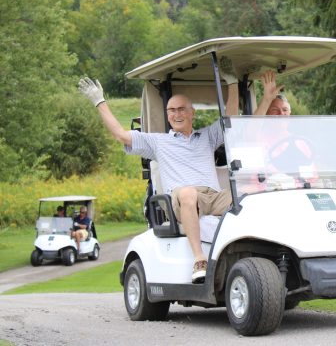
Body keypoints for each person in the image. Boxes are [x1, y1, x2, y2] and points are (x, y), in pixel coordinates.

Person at [78, 71, 239, 283]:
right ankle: (200, 260)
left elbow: (231, 118)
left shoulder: (207, 137)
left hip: (213, 197)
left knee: (250, 196)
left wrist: (234, 83)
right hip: (182, 200)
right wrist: (100, 101)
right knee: (189, 193)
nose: (176, 114)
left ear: (192, 113)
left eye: (181, 109)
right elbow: (121, 135)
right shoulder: (158, 142)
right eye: (171, 110)